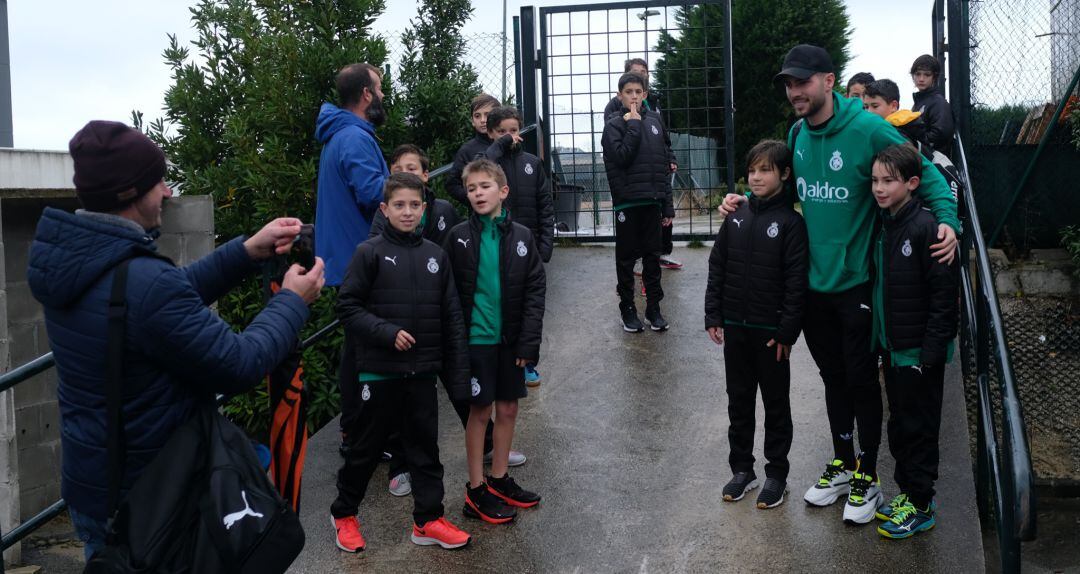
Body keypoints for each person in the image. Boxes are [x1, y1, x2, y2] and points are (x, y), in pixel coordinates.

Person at [27, 120, 325, 561]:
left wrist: (245, 251)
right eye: (158, 181)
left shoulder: (74, 263)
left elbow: (156, 301)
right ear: (129, 193)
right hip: (156, 495)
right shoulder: (141, 282)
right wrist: (293, 303)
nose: (167, 192)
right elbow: (237, 363)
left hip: (97, 486)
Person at [720, 44, 959, 525]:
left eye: (803, 82)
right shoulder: (796, 134)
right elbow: (782, 187)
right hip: (814, 289)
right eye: (788, 84)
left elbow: (926, 174)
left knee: (861, 381)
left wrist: (948, 221)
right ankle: (844, 464)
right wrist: (743, 199)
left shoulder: (868, 127)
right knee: (833, 381)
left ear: (829, 81)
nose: (794, 92)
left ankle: (869, 475)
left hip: (857, 286)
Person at [331, 172, 472, 552]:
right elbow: (346, 306)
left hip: (421, 371)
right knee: (364, 450)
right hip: (378, 371)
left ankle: (428, 520)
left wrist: (456, 376)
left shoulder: (435, 256)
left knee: (425, 450)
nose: (407, 212)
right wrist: (385, 332)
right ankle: (344, 513)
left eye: (414, 205)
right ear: (384, 209)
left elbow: (451, 319)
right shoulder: (369, 253)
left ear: (424, 210)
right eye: (399, 205)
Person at [705, 140, 808, 509]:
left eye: (765, 170)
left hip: (771, 336)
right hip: (736, 327)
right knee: (739, 400)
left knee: (776, 404)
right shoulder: (736, 216)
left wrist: (786, 332)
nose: (756, 177)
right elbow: (717, 266)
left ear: (784, 174)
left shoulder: (792, 223)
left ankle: (776, 475)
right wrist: (713, 315)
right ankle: (742, 469)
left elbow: (797, 284)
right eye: (752, 170)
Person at [445, 159, 546, 525]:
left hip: (510, 341)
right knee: (480, 411)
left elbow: (535, 288)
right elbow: (449, 293)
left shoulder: (521, 236)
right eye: (471, 189)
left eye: (484, 186)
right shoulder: (457, 237)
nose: (477, 193)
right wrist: (455, 344)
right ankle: (476, 490)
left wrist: (527, 343)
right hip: (476, 341)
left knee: (507, 409)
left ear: (503, 191)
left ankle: (499, 478)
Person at [867, 144, 958, 539]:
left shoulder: (926, 229)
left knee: (920, 428)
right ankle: (910, 493)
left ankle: (921, 506)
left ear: (913, 183)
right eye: (875, 180)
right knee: (900, 425)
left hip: (919, 354)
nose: (879, 188)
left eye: (889, 181)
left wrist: (930, 356)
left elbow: (943, 299)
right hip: (893, 347)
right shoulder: (886, 224)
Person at [314, 62, 390, 459]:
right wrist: (406, 183)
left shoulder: (339, 135)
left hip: (345, 259)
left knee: (357, 348)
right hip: (361, 260)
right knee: (365, 351)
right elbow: (374, 195)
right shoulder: (355, 139)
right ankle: (359, 434)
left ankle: (356, 431)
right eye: (378, 89)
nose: (382, 96)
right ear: (365, 95)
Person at [482, 105, 554, 388]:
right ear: (491, 134)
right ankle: (499, 359)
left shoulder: (531, 164)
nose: (509, 137)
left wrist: (545, 245)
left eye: (513, 131)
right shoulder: (488, 163)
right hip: (496, 249)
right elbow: (480, 170)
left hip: (529, 250)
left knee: (529, 309)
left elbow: (545, 207)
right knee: (499, 305)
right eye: (502, 132)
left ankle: (529, 362)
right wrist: (498, 146)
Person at [601, 72, 675, 333]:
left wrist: (667, 205)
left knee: (653, 258)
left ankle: (653, 308)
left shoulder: (655, 121)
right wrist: (633, 124)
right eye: (628, 92)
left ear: (645, 94)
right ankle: (628, 308)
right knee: (626, 260)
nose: (633, 96)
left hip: (652, 202)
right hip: (627, 204)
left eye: (638, 92)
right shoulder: (613, 125)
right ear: (620, 95)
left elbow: (662, 166)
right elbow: (621, 157)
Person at [603, 58, 681, 270]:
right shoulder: (614, 108)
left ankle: (660, 254)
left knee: (660, 221)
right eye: (636, 72)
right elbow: (617, 145)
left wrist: (670, 158)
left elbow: (663, 140)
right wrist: (634, 125)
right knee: (631, 236)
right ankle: (635, 264)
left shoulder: (654, 106)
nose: (641, 75)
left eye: (644, 72)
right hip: (630, 181)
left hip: (653, 178)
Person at [863, 79, 963, 202]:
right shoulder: (906, 127)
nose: (868, 112)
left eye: (875, 106)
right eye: (866, 107)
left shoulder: (897, 134)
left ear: (894, 106)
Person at [369, 144, 459, 246]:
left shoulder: (444, 210)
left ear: (425, 175)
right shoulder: (384, 213)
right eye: (398, 171)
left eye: (411, 169)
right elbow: (375, 252)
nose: (405, 174)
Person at [447, 93, 501, 208]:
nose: (483, 120)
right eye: (477, 116)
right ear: (472, 121)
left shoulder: (511, 144)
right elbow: (452, 184)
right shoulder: (467, 150)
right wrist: (474, 198)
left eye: (487, 115)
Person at [910, 54, 954, 154]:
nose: (921, 79)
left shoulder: (938, 102)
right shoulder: (920, 102)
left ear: (934, 77)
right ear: (913, 76)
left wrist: (913, 143)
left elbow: (940, 135)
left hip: (933, 161)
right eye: (918, 74)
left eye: (927, 75)